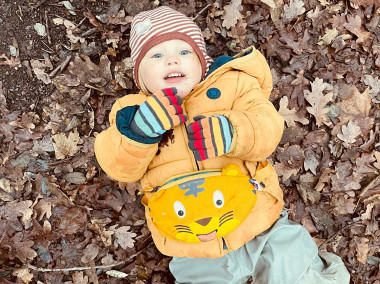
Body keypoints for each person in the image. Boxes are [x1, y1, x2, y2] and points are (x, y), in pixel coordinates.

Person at [94, 6, 350, 284]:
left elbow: (268, 125)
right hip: (192, 244)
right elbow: (118, 166)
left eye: (183, 52)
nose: (171, 61)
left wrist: (233, 131)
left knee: (290, 260)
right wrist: (139, 132)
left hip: (260, 222)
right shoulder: (130, 112)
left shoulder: (233, 85)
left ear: (202, 62)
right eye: (156, 56)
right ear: (140, 77)